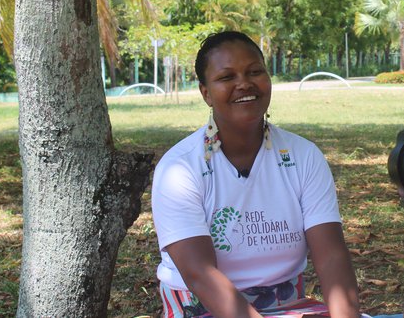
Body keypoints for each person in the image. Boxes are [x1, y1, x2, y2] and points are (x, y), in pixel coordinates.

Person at [151, 31, 360, 318]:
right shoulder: (179, 169)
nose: (244, 84)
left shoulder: (304, 156)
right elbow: (200, 274)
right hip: (204, 308)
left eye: (255, 71)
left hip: (288, 305)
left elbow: (332, 257)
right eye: (227, 77)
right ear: (206, 93)